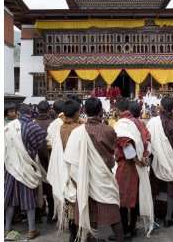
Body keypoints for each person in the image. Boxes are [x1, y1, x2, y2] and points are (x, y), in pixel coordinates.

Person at [64, 97, 124, 242]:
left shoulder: (77, 132)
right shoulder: (109, 130)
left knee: (90, 214)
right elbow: (112, 155)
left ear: (84, 111)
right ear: (101, 112)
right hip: (103, 178)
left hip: (83, 180)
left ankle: (92, 238)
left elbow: (70, 160)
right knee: (114, 216)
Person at [4, 104, 47, 240]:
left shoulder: (7, 127)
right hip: (27, 168)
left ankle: (6, 228)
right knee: (29, 200)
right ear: (30, 113)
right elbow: (40, 144)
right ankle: (31, 230)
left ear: (18, 113)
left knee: (10, 199)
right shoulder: (33, 127)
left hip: (11, 168)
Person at [113, 98, 154, 239]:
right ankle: (133, 227)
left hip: (128, 165)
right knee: (135, 197)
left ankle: (126, 230)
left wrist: (137, 160)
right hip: (140, 165)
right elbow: (148, 140)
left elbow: (126, 145)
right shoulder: (139, 122)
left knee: (123, 199)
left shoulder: (121, 124)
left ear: (118, 110)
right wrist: (145, 157)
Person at [47, 99, 81, 242]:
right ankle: (79, 234)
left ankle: (73, 234)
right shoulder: (79, 129)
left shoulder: (59, 127)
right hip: (75, 169)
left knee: (70, 203)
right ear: (76, 113)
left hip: (64, 169)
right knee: (78, 204)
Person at [147, 97, 173, 227]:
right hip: (171, 160)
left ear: (161, 107)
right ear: (172, 108)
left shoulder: (153, 122)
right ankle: (168, 216)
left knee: (154, 187)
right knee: (172, 187)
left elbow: (148, 141)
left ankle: (154, 215)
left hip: (156, 159)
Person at [34, 100, 54, 224]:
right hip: (50, 162)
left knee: (38, 189)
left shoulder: (33, 124)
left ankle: (38, 215)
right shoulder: (53, 124)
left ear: (37, 110)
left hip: (36, 162)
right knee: (51, 190)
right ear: (48, 110)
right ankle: (52, 215)